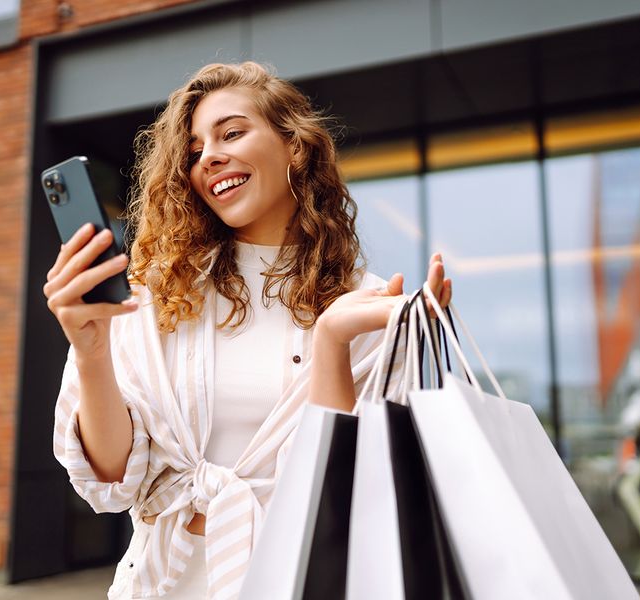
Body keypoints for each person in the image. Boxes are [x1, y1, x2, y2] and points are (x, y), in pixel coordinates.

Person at [44, 62, 452, 600]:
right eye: (193, 151)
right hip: (161, 584)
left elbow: (355, 492)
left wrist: (331, 341)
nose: (209, 156)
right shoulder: (155, 294)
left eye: (232, 132)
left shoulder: (366, 305)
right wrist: (91, 353)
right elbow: (112, 479)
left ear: (295, 146)